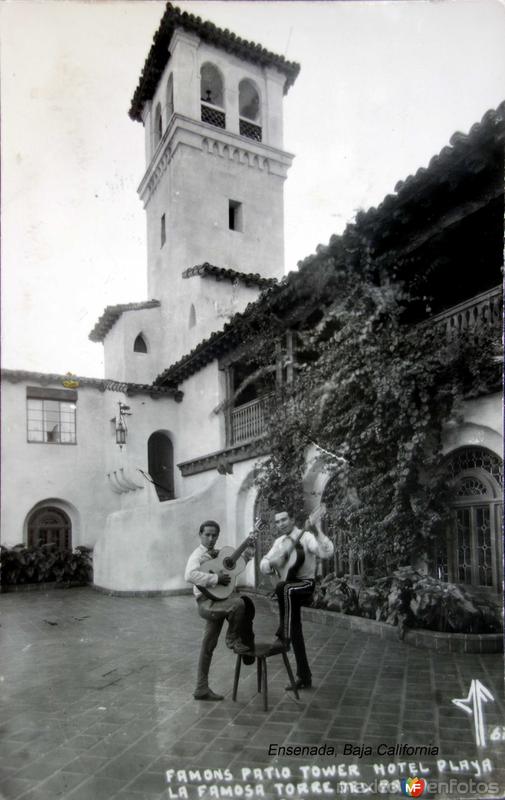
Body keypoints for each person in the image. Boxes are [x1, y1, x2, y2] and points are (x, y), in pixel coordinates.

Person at [260, 506, 334, 691]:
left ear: (292, 520)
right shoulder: (279, 542)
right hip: (289, 589)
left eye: (284, 519)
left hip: (305, 585)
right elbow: (263, 564)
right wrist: (272, 563)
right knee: (296, 629)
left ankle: (283, 636)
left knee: (281, 587)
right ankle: (304, 676)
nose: (281, 524)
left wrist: (316, 529)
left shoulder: (306, 536)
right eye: (277, 521)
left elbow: (327, 552)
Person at [185, 520, 255, 701]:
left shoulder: (217, 553)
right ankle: (232, 638)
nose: (210, 538)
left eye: (214, 535)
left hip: (219, 599)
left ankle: (201, 688)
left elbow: (230, 570)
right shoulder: (197, 556)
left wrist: (247, 556)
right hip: (207, 603)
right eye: (207, 534)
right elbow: (189, 575)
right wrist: (215, 579)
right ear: (200, 535)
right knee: (239, 604)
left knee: (208, 645)